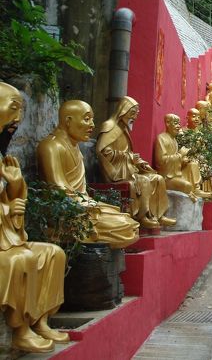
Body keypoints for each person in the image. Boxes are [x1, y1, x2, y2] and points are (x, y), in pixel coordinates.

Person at [0, 82, 69, 353]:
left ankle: (40, 319)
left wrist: (16, 188)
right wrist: (8, 210)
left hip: (8, 238)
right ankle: (19, 329)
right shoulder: (52, 146)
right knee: (23, 259)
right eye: (12, 109)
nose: (17, 119)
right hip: (6, 244)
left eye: (21, 111)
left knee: (53, 254)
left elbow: (13, 200)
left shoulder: (3, 158)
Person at [38, 100, 140, 247]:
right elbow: (58, 191)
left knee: (128, 223)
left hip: (83, 205)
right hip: (67, 212)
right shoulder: (51, 146)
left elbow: (81, 192)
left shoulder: (74, 146)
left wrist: (91, 204)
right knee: (126, 227)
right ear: (68, 121)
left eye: (92, 119)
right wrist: (89, 205)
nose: (92, 125)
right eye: (87, 119)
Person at [96, 96, 175, 229]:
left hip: (128, 169)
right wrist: (128, 158)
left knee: (158, 178)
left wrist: (139, 162)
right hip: (116, 172)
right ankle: (142, 216)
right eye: (132, 113)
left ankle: (158, 215)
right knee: (143, 181)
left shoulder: (124, 128)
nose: (134, 118)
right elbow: (103, 153)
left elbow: (129, 153)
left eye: (135, 114)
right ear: (123, 110)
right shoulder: (109, 126)